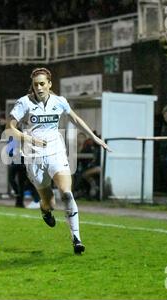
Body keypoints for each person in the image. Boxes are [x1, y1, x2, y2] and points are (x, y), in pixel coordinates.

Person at [7, 67, 110, 254]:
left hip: (56, 152)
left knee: (67, 193)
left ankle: (76, 239)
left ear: (49, 84)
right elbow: (10, 127)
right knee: (49, 202)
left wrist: (94, 138)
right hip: (33, 157)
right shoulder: (24, 103)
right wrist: (29, 138)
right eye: (36, 84)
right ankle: (45, 211)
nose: (39, 87)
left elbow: (76, 120)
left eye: (42, 84)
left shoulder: (59, 101)